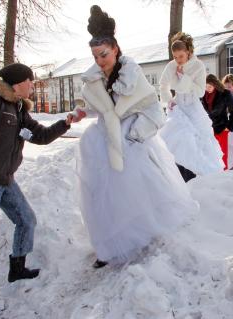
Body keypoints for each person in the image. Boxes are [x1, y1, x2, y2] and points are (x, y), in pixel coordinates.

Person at [76, 6, 198, 269]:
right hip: (102, 142)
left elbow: (152, 107)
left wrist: (134, 134)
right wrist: (81, 112)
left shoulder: (132, 72)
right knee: (102, 197)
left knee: (135, 192)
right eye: (95, 56)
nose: (100, 61)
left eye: (104, 54)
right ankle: (107, 246)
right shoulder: (94, 78)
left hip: (132, 140)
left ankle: (138, 237)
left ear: (116, 49)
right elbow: (100, 108)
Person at [0, 63, 74, 318]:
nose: (33, 85)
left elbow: (40, 135)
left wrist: (65, 123)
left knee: (26, 219)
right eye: (30, 81)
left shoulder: (18, 108)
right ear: (18, 82)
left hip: (4, 179)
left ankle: (17, 267)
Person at [158, 32, 224, 181]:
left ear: (187, 51)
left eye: (181, 56)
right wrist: (169, 100)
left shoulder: (198, 66)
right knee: (176, 140)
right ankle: (178, 179)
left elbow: (200, 92)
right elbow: (163, 85)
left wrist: (184, 78)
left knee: (198, 142)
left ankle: (202, 179)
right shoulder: (171, 66)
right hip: (178, 107)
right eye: (175, 57)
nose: (178, 60)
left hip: (194, 108)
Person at [201, 74, 233, 169]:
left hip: (221, 129)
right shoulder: (202, 95)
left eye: (209, 86)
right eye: (205, 87)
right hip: (207, 129)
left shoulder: (224, 93)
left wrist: (229, 126)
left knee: (222, 155)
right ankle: (213, 177)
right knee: (210, 155)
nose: (207, 89)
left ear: (215, 84)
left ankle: (224, 177)